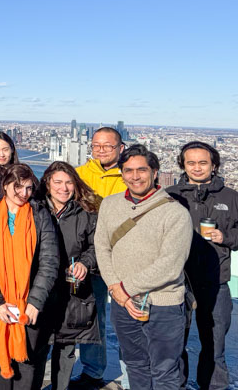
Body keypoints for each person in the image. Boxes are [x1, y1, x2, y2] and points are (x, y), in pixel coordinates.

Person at [94, 145, 191, 390]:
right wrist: (116, 289)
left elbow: (170, 266)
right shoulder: (110, 204)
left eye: (141, 170)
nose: (135, 176)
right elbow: (102, 248)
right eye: (128, 170)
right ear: (122, 173)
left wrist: (123, 289)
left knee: (165, 370)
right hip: (123, 303)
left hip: (163, 304)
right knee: (135, 364)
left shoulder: (175, 213)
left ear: (155, 172)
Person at [0, 163, 59, 390]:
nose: (24, 194)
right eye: (18, 187)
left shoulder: (40, 215)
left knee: (29, 358)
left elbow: (49, 261)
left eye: (29, 188)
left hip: (30, 302)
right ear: (5, 185)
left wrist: (35, 302)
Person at [166, 141, 237, 389]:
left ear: (214, 165)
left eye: (203, 162)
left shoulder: (230, 197)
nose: (197, 168)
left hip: (215, 282)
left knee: (214, 345)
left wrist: (225, 237)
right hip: (177, 282)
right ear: (183, 165)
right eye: (191, 163)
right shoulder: (171, 195)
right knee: (175, 344)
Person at [38, 162, 101, 390]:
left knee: (65, 346)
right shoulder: (34, 209)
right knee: (37, 344)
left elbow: (96, 246)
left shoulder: (86, 213)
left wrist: (85, 263)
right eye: (58, 182)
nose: (63, 188)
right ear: (47, 183)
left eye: (69, 182)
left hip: (72, 289)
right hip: (40, 289)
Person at [74, 126, 127, 389]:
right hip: (88, 253)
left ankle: (140, 368)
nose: (101, 150)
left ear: (121, 147)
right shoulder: (80, 174)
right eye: (96, 145)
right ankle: (92, 370)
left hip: (123, 254)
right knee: (91, 313)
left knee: (129, 313)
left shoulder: (131, 174)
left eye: (108, 145)